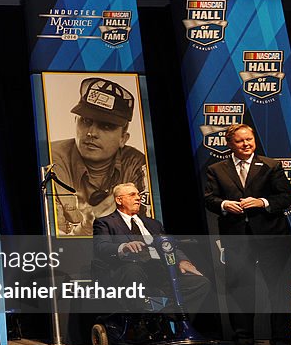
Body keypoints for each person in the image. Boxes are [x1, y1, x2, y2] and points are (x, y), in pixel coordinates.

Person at [203, 124, 291, 345]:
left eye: (249, 139)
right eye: (240, 141)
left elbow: (286, 196)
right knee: (241, 291)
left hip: (272, 237)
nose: (246, 144)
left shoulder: (271, 165)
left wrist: (262, 202)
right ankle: (243, 343)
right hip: (236, 238)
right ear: (230, 144)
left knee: (279, 292)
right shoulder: (216, 169)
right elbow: (209, 198)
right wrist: (224, 205)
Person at [93, 183, 210, 315]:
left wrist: (182, 261)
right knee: (133, 270)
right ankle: (142, 322)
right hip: (129, 270)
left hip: (158, 270)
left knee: (200, 283)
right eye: (132, 195)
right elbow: (101, 246)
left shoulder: (153, 224)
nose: (138, 198)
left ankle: (166, 319)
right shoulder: (105, 222)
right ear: (119, 200)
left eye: (138, 194)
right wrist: (123, 247)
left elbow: (168, 246)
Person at [50, 77, 148, 236]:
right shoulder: (49, 160)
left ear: (123, 138)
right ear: (75, 121)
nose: (91, 133)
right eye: (86, 121)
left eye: (106, 126)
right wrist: (87, 228)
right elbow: (49, 240)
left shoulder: (137, 164)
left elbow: (147, 231)